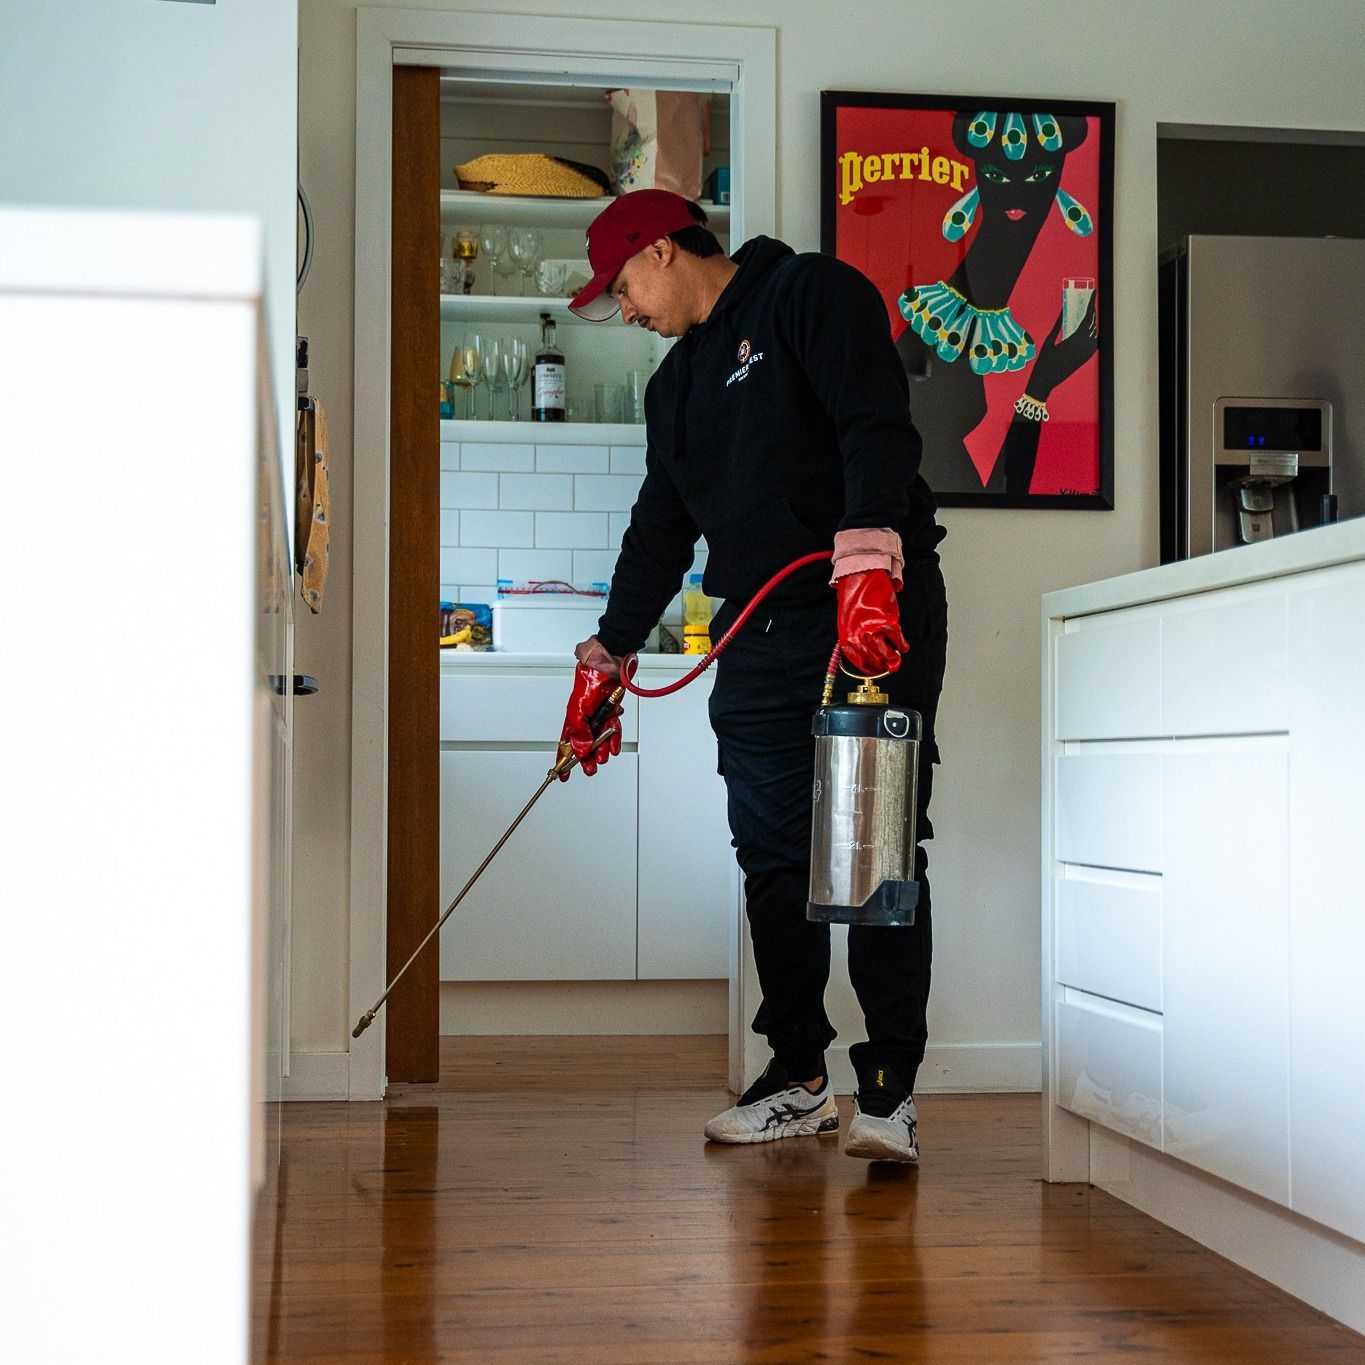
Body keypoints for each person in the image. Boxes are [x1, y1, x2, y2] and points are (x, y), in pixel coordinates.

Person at [558, 188, 948, 1163]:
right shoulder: (676, 385)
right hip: (754, 631)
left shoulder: (810, 296)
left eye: (624, 290)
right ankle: (799, 1077)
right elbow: (661, 525)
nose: (629, 313)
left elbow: (876, 429)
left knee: (869, 850)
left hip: (861, 608)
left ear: (660, 249)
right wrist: (612, 647)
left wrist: (868, 567)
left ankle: (888, 1093)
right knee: (772, 857)